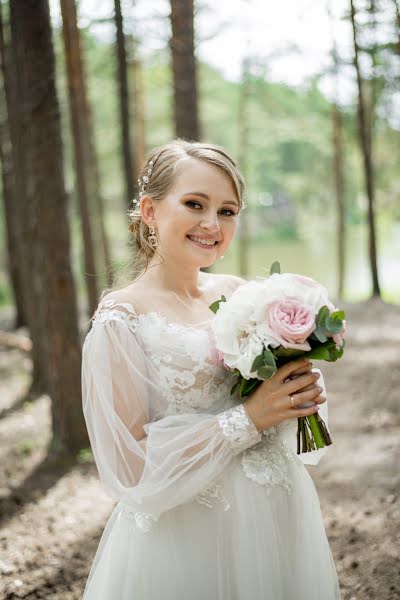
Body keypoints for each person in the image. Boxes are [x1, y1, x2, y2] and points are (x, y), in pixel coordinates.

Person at [81, 139, 342, 599]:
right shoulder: (121, 320)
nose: (211, 224)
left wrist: (298, 391)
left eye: (227, 211)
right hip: (189, 533)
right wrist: (249, 418)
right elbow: (130, 467)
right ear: (149, 211)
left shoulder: (242, 296)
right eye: (194, 204)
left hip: (276, 511)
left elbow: (268, 403)